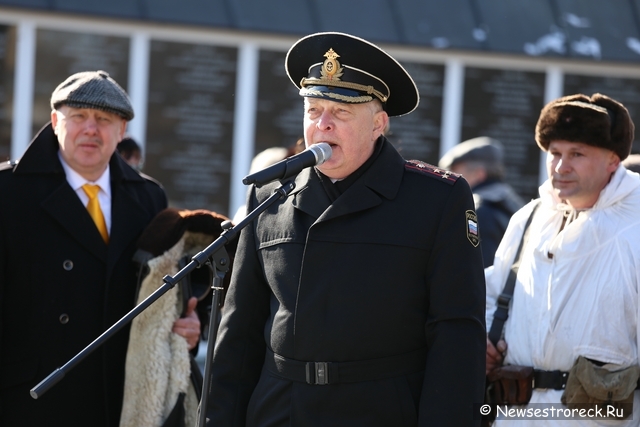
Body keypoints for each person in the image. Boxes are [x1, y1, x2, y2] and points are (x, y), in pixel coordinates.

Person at [207, 32, 486, 426]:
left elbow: (457, 336)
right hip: (278, 410)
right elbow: (239, 333)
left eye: (340, 113)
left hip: (379, 411)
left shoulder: (436, 200)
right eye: (313, 110)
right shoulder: (271, 196)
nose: (322, 125)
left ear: (378, 124)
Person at [0, 70, 200, 427]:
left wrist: (186, 324)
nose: (91, 129)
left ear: (122, 131)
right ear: (55, 122)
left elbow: (158, 294)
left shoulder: (149, 197)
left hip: (117, 399)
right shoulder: (8, 192)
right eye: (78, 117)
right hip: (29, 398)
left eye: (104, 119)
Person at [485, 93, 640, 426]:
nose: (560, 166)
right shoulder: (528, 218)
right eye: (554, 153)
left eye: (577, 154)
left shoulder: (636, 226)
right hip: (514, 416)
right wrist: (482, 338)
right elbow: (492, 291)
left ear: (613, 160)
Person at [438, 137, 524, 266]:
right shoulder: (513, 203)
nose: (449, 181)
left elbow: (478, 272)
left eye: (456, 174)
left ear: (479, 174)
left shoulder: (477, 211)